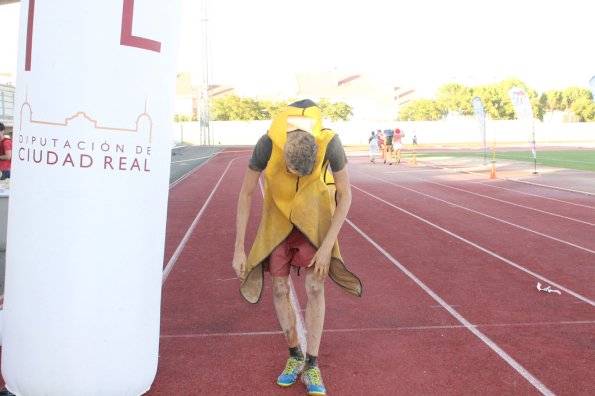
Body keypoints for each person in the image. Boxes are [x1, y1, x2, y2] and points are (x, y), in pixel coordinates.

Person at [233, 99, 362, 396]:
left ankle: (313, 363)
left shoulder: (330, 143)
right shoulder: (267, 144)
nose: (298, 177)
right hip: (277, 219)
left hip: (315, 216)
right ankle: (294, 356)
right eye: (294, 172)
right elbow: (246, 192)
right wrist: (239, 248)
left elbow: (346, 195)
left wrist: (328, 244)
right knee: (279, 289)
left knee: (316, 287)